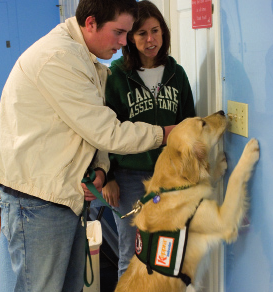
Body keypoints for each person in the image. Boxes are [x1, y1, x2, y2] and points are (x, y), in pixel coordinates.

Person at [0, 1, 176, 291]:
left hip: (63, 197)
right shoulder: (59, 58)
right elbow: (106, 132)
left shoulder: (82, 58)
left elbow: (89, 126)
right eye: (118, 32)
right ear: (91, 23)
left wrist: (99, 168)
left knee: (68, 285)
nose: (124, 42)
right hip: (38, 202)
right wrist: (165, 134)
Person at [102, 0, 196, 279]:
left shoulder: (177, 74)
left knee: (168, 250)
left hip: (169, 176)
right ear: (130, 37)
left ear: (164, 33)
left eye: (155, 31)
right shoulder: (116, 76)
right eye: (141, 33)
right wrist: (107, 175)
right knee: (131, 253)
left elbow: (189, 124)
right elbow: (105, 130)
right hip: (129, 178)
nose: (150, 39)